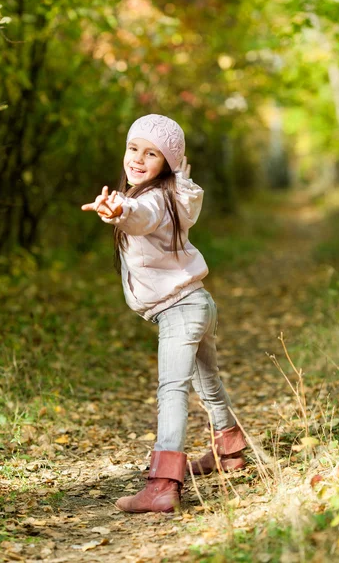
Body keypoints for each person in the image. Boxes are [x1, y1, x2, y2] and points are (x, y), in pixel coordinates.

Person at [81, 114, 246, 514]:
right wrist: (126, 204)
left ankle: (163, 483)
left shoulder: (151, 199)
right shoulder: (174, 192)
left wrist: (120, 211)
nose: (137, 159)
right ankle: (230, 453)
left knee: (172, 390)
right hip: (198, 303)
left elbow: (140, 215)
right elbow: (146, 208)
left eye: (151, 153)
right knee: (208, 382)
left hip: (179, 309)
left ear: (167, 163)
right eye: (133, 148)